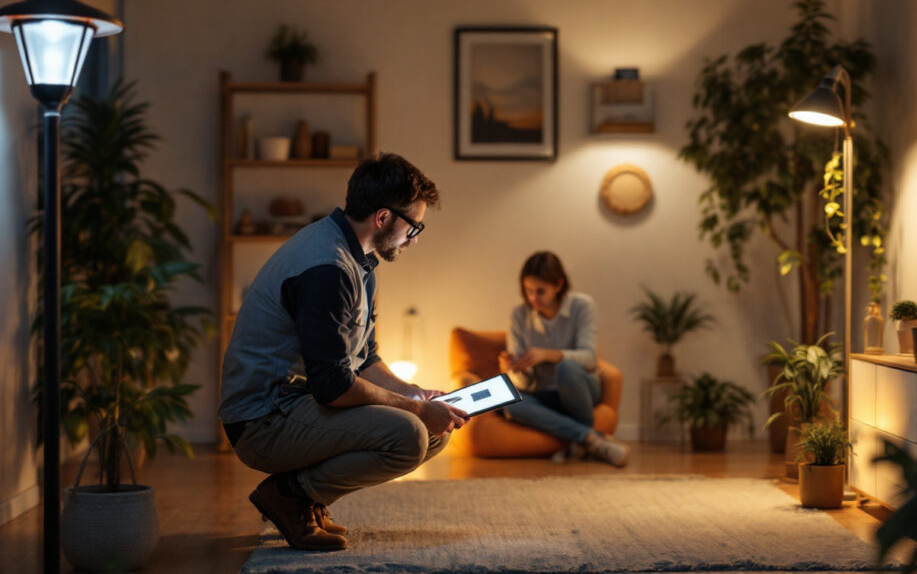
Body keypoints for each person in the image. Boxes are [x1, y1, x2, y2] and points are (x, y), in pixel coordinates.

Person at [218, 152, 469, 551]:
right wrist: (416, 411)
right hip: (263, 420)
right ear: (383, 217)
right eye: (414, 226)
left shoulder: (357, 260)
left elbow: (364, 359)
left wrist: (415, 394)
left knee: (434, 433)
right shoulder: (327, 269)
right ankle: (291, 497)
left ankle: (305, 497)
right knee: (409, 434)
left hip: (297, 402)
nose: (415, 238)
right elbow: (333, 386)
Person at [499, 251, 629, 467]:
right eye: (528, 291)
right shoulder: (518, 315)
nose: (533, 298)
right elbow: (523, 383)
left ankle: (578, 440)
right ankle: (589, 440)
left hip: (579, 389)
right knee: (511, 402)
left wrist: (548, 355)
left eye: (540, 291)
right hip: (541, 393)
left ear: (558, 285)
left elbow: (590, 359)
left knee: (567, 368)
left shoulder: (582, 306)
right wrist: (516, 369)